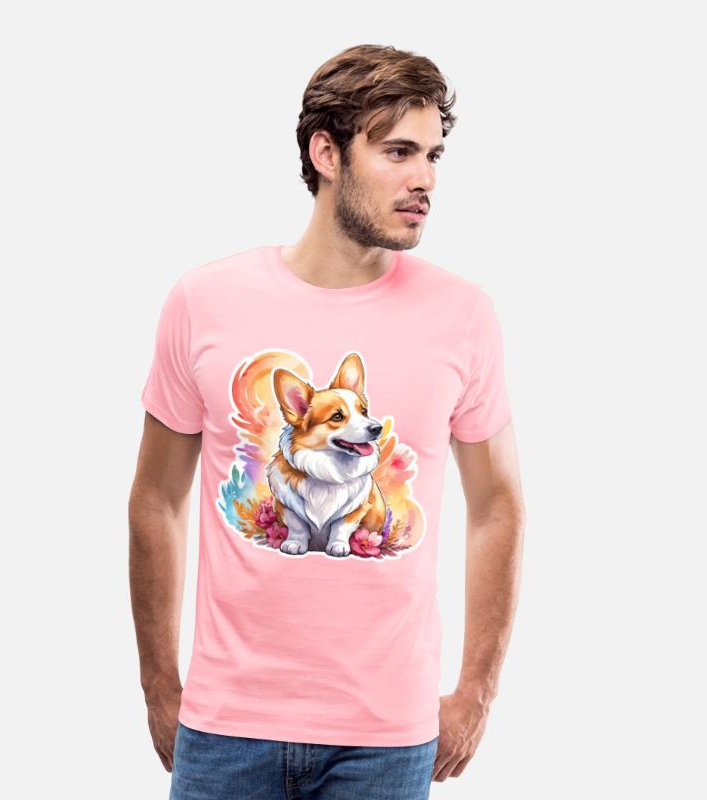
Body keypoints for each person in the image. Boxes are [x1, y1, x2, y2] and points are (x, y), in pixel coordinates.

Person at [129, 43, 525, 800]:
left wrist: (477, 691)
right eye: (399, 152)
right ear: (326, 153)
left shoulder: (464, 314)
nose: (425, 179)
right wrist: (158, 685)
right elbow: (155, 499)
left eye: (433, 155)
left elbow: (498, 503)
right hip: (224, 727)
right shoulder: (204, 301)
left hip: (387, 739)